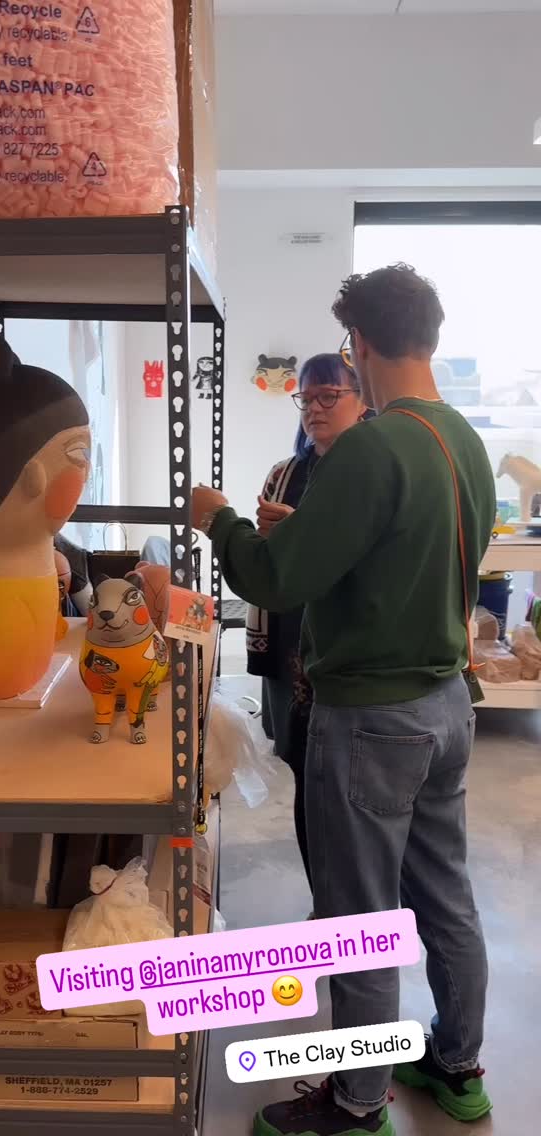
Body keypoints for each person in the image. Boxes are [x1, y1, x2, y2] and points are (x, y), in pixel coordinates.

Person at [192, 264, 494, 1136]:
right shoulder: (461, 439)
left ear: (358, 346)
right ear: (428, 335)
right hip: (446, 705)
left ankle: (359, 1103)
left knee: (359, 915)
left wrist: (220, 519)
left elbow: (272, 582)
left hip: (372, 719)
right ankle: (457, 1065)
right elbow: (411, 554)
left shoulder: (370, 446)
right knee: (444, 895)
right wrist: (314, 536)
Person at [248, 354, 368, 898]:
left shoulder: (371, 473)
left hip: (348, 649)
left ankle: (357, 907)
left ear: (361, 401)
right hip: (291, 642)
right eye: (306, 398)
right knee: (303, 770)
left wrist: (303, 535)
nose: (315, 409)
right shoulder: (284, 474)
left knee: (352, 783)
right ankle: (326, 900)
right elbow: (269, 566)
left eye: (329, 396)